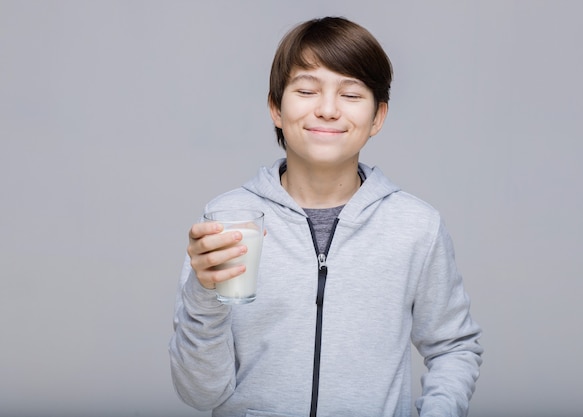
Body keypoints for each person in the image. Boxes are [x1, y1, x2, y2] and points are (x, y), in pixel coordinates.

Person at [169, 16, 483, 417]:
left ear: (378, 118)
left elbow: (454, 346)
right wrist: (203, 294)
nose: (329, 110)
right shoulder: (228, 221)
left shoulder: (416, 226)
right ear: (276, 108)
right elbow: (200, 394)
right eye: (306, 90)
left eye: (351, 95)